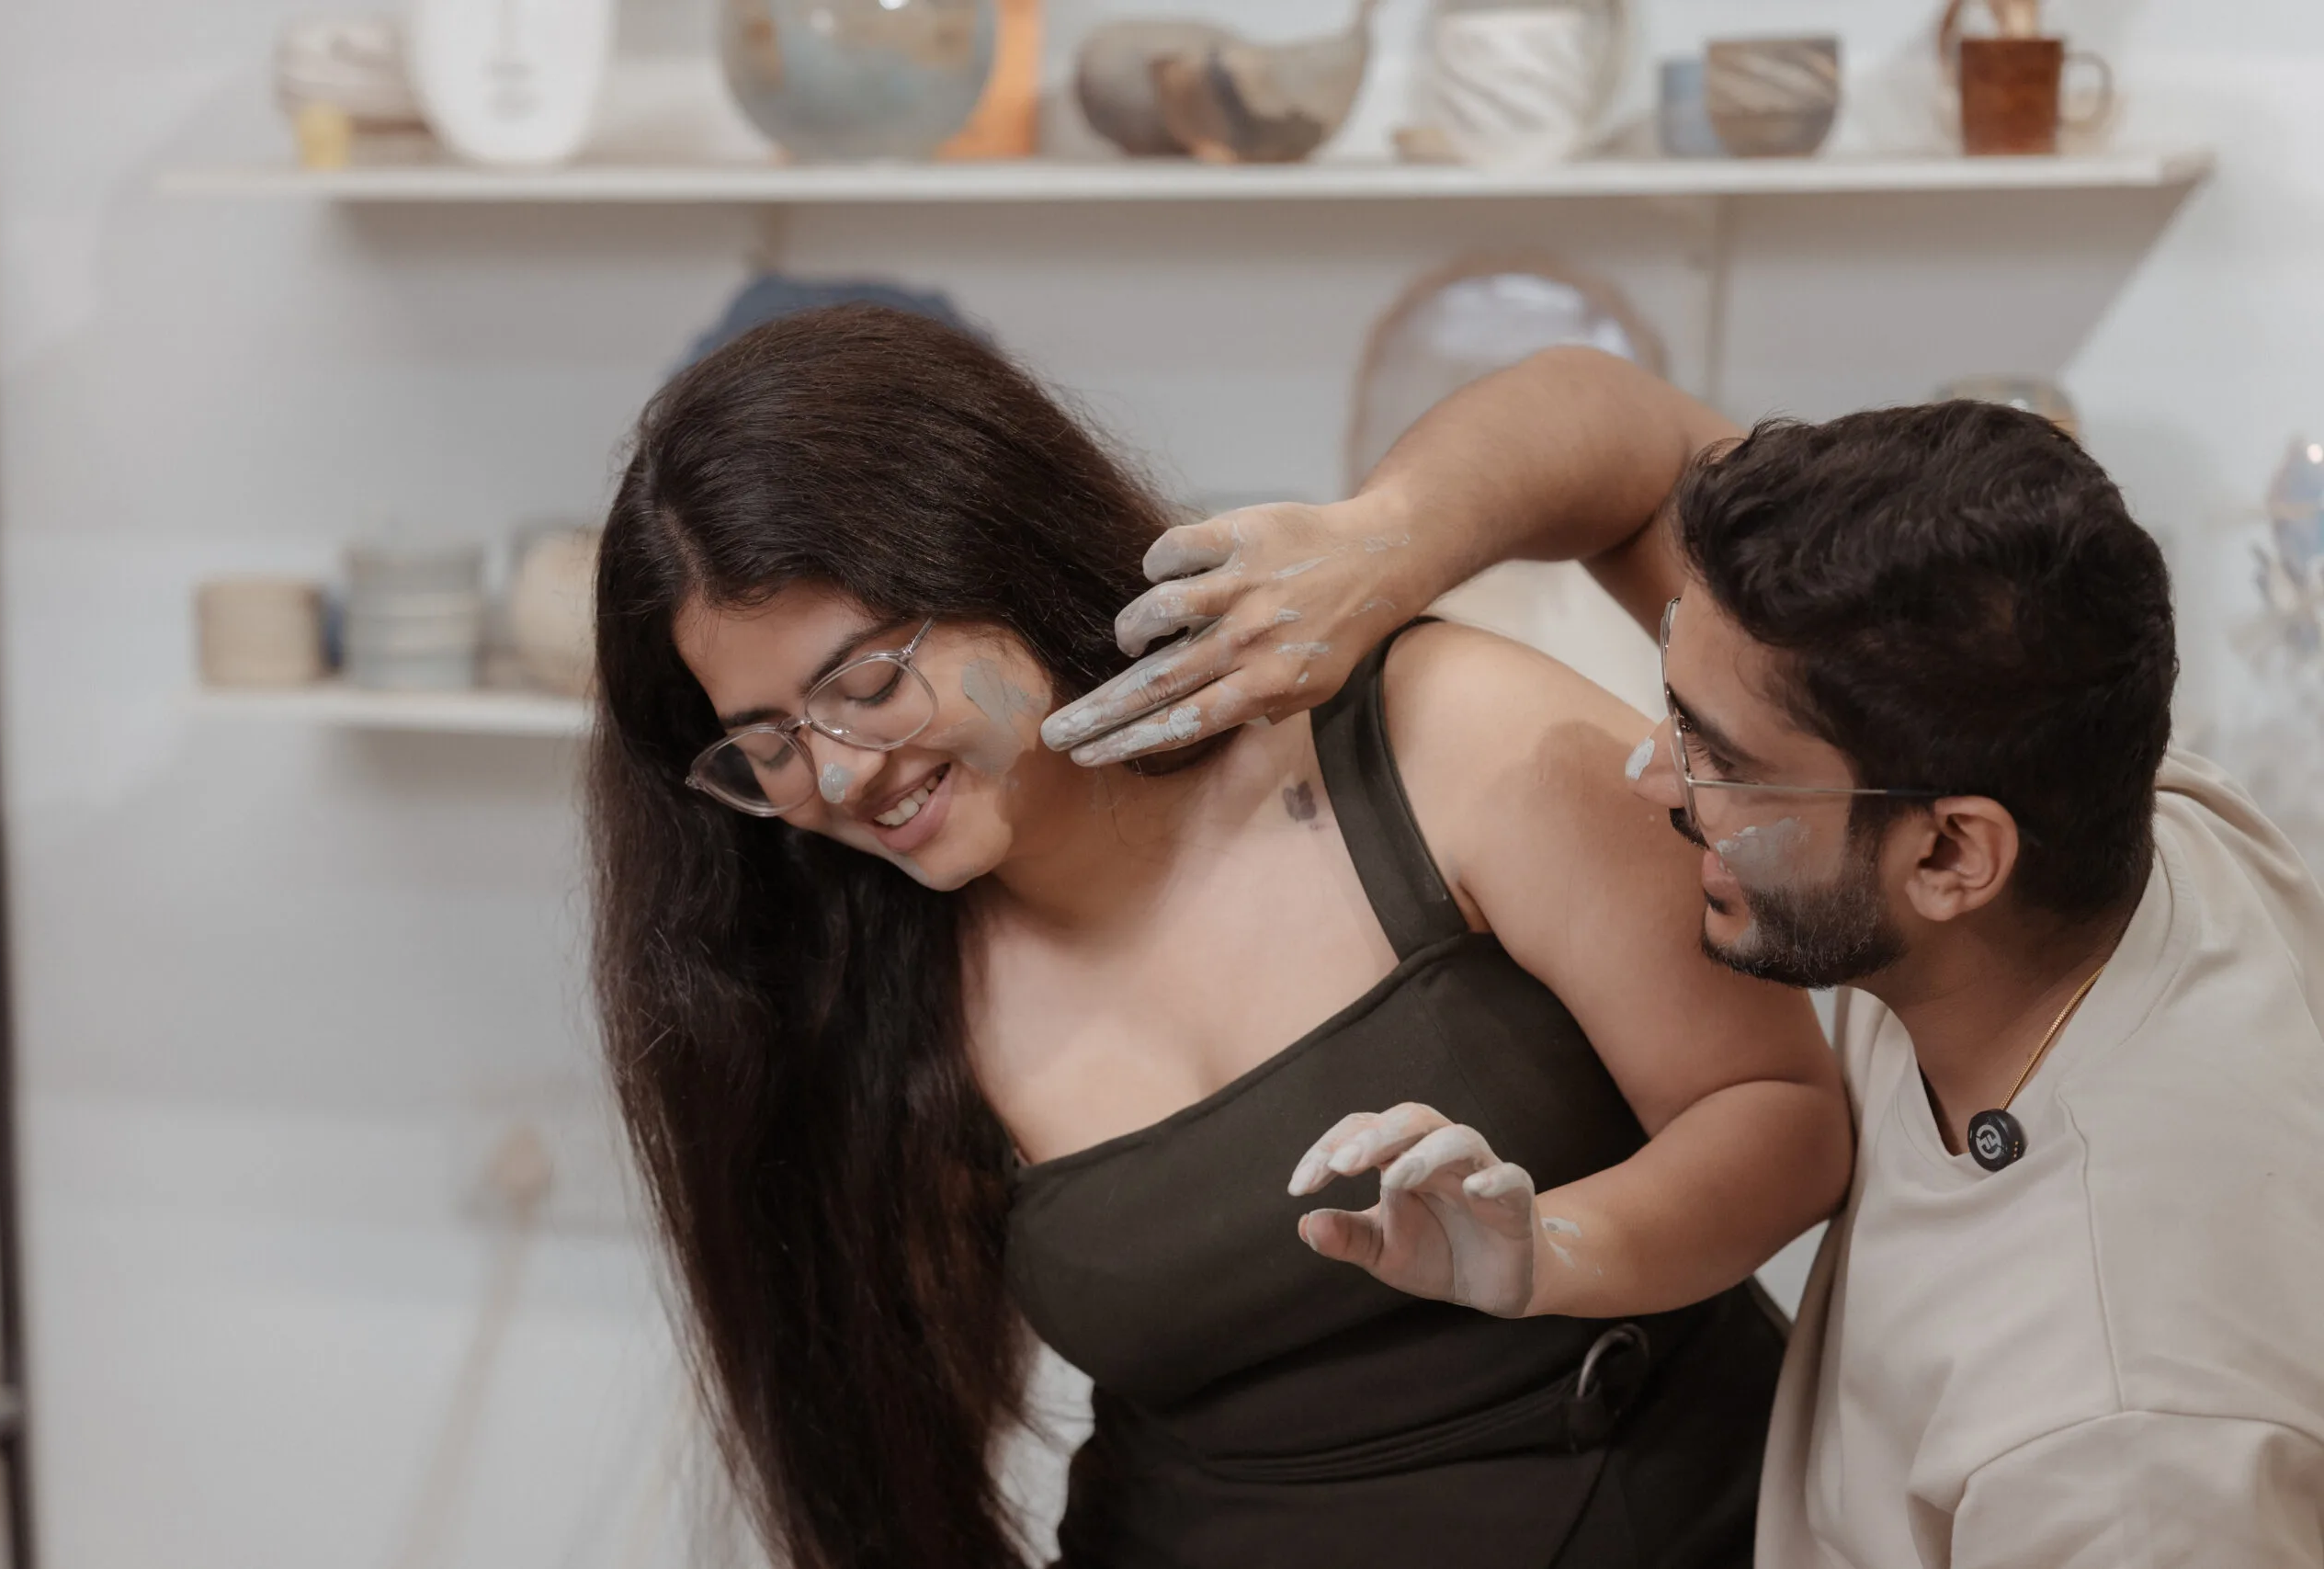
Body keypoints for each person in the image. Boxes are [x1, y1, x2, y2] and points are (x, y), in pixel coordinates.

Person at [587, 305, 1853, 1569]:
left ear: (993, 548)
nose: (840, 775)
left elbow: (1784, 1118)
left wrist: (1551, 1251)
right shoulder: (878, 983)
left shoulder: (1442, 735)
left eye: (865, 685)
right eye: (767, 746)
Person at [1057, 356, 2324, 1567]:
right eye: (1676, 708)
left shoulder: (2121, 1436)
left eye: (1722, 758)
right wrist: (1375, 546)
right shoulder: (2087, 791)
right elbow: (1620, 436)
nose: (1652, 774)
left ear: (1950, 854)